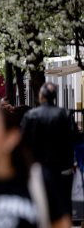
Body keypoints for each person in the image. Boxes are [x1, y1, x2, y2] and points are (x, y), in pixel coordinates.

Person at [21, 82, 81, 215]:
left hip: (37, 167)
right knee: (63, 203)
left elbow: (22, 140)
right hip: (62, 167)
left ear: (41, 96)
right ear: (54, 97)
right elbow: (76, 138)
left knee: (39, 203)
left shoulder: (30, 115)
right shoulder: (65, 114)